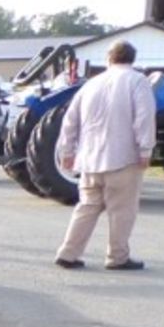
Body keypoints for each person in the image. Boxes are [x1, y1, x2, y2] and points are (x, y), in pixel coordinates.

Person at [52, 40, 156, 270]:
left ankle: (68, 253)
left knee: (87, 207)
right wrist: (145, 149)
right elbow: (144, 117)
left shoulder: (90, 85)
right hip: (122, 157)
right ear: (132, 58)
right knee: (122, 210)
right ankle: (117, 257)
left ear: (109, 58)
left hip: (90, 159)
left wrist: (67, 152)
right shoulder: (138, 81)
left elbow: (70, 121)